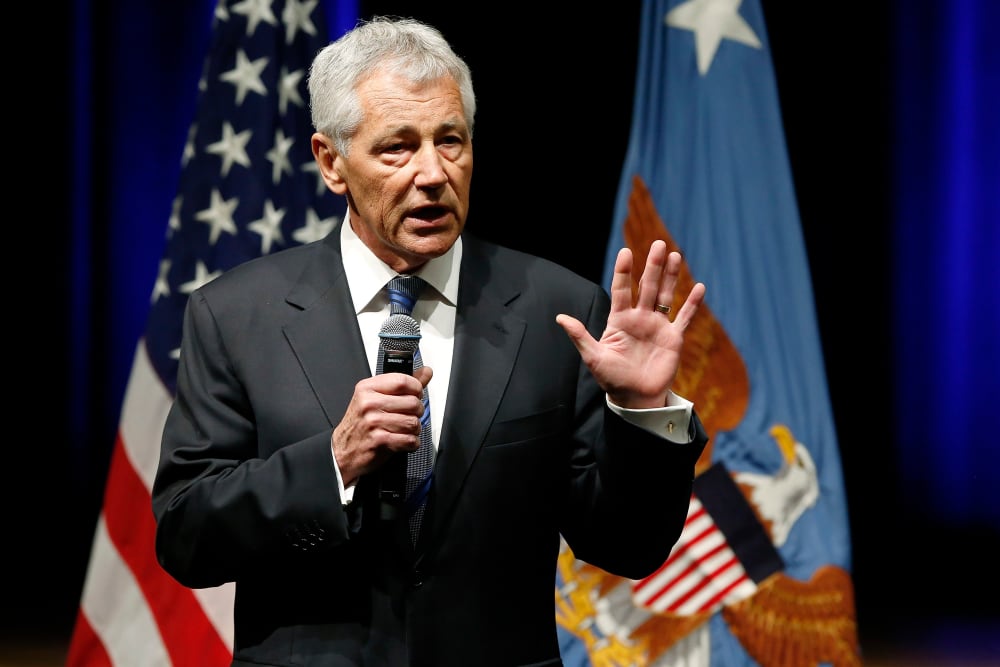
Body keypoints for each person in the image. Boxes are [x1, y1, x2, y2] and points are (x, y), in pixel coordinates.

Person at [152, 15, 708, 667]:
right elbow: (187, 535)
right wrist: (333, 461)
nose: (433, 173)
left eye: (451, 141)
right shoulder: (237, 314)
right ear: (331, 162)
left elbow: (627, 544)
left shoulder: (558, 310)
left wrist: (641, 412)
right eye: (397, 147)